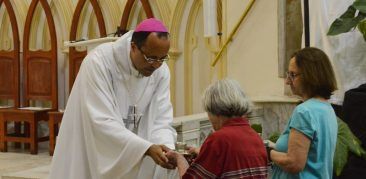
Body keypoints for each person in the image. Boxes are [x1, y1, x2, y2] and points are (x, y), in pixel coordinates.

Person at [49, 18, 177, 179]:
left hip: (137, 156)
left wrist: (167, 149)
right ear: (133, 47)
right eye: (151, 58)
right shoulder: (99, 62)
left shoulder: (160, 71)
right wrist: (145, 148)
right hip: (93, 153)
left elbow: (161, 120)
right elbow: (101, 122)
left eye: (162, 58)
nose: (157, 65)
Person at [167, 79, 268, 179]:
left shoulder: (219, 139)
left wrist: (179, 159)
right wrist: (202, 153)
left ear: (216, 111)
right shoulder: (255, 136)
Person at [267, 47, 338, 179]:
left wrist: (267, 152)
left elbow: (294, 163)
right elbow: (312, 154)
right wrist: (273, 146)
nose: (288, 81)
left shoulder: (305, 111)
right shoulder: (327, 108)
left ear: (311, 75)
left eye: (292, 75)